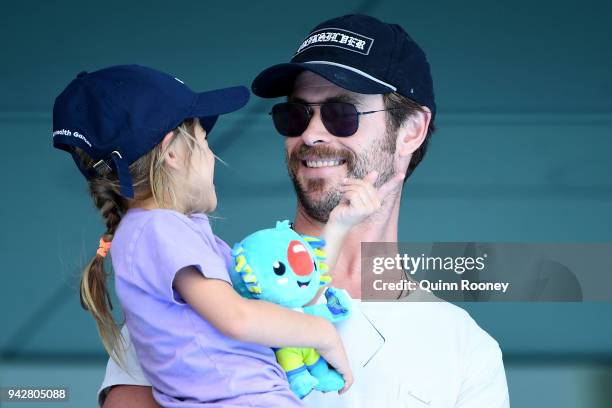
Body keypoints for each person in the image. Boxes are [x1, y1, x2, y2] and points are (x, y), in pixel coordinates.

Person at [99, 15, 510, 407]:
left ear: (411, 131)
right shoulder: (192, 281)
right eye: (295, 114)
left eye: (341, 114)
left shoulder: (465, 349)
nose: (311, 134)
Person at [53, 65, 400, 406]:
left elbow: (295, 293)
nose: (212, 156)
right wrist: (322, 335)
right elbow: (238, 318)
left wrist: (338, 226)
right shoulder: (158, 228)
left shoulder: (156, 234)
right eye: (204, 141)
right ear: (172, 152)